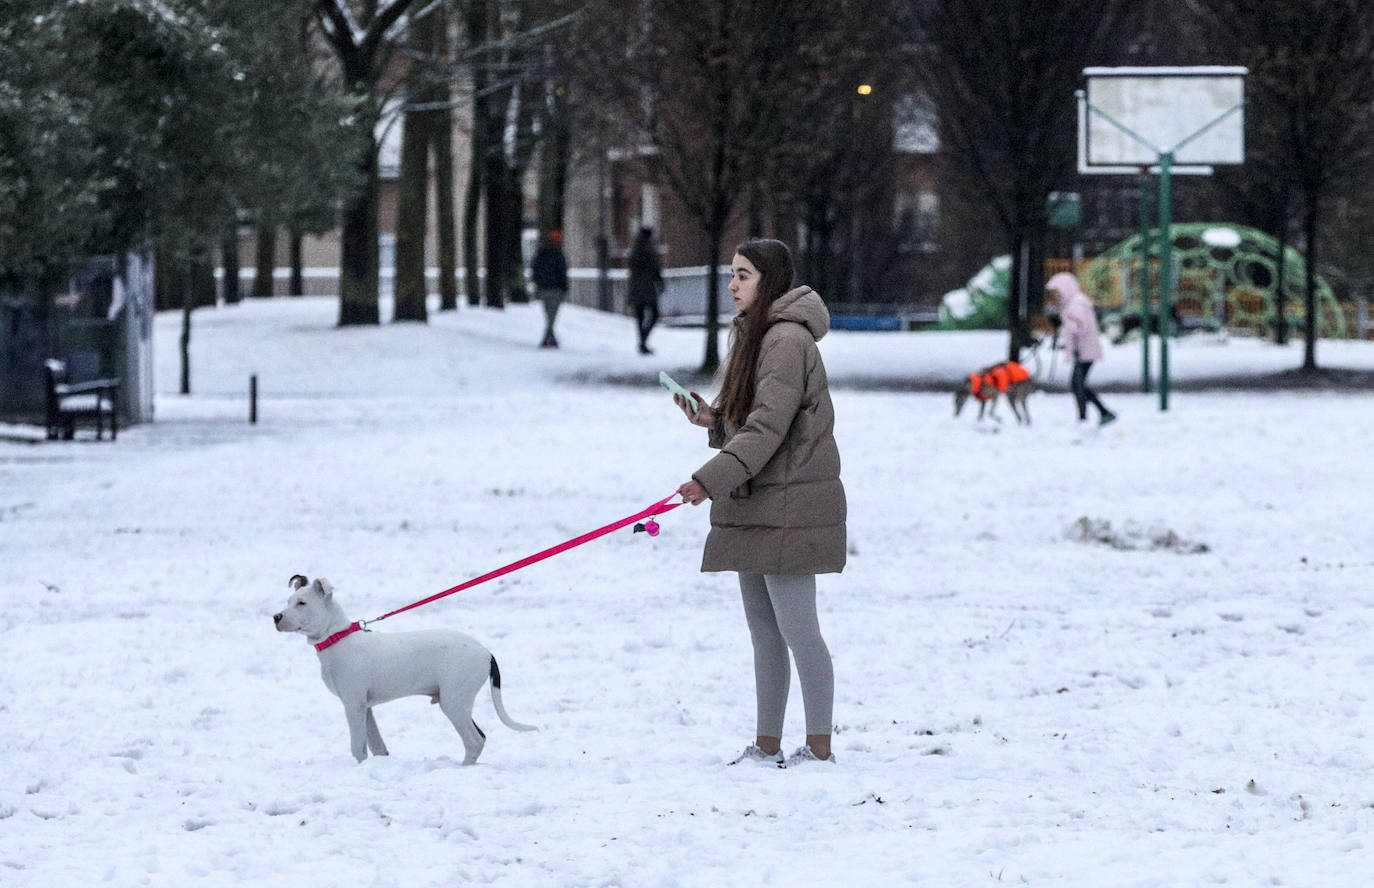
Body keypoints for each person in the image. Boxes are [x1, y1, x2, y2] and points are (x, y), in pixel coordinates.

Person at [672, 238, 845, 768]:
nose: (732, 285)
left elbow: (770, 429)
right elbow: (756, 421)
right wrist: (715, 421)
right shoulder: (758, 337)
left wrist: (710, 479)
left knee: (799, 632)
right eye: (732, 274)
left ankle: (819, 749)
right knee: (764, 632)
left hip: (789, 503)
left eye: (743, 275)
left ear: (768, 281)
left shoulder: (787, 341)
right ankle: (766, 744)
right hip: (757, 500)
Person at [1047, 271, 1116, 427]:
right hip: (1084, 350)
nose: (1056, 295)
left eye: (1057, 290)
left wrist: (1063, 325)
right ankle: (1091, 414)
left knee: (1077, 384)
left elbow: (1081, 326)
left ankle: (1099, 413)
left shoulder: (1076, 304)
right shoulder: (1074, 302)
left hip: (1084, 351)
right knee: (1077, 384)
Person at [627, 227, 663, 355]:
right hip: (647, 287)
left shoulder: (634, 249)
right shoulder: (649, 249)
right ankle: (643, 341)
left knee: (640, 317)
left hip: (636, 288)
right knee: (654, 314)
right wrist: (659, 282)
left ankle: (642, 342)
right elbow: (655, 267)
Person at [530, 230, 568, 348]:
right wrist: (564, 288)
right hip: (555, 290)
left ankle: (551, 338)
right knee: (552, 316)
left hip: (543, 289)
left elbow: (535, 270)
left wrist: (538, 284)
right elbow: (562, 273)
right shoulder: (558, 255)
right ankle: (547, 338)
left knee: (549, 315)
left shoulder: (541, 254)